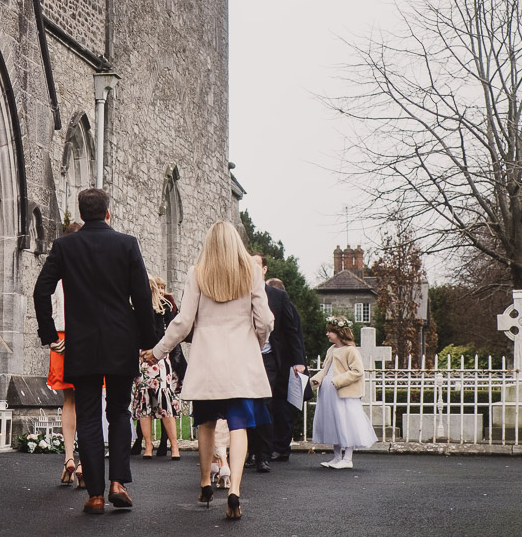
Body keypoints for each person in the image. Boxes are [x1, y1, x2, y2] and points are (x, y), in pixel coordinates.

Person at [34, 188, 155, 515]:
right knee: (118, 412)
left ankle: (96, 495)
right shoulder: (127, 244)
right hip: (120, 340)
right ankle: (118, 482)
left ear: (81, 214)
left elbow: (41, 290)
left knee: (87, 416)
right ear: (108, 213)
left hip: (82, 343)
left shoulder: (65, 246)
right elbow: (142, 297)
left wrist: (50, 334)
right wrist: (148, 340)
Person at [143, 221, 274, 521]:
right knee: (240, 425)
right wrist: (257, 341)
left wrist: (158, 351)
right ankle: (235, 488)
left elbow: (183, 322)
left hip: (208, 361)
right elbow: (265, 320)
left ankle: (204, 482)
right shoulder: (252, 272)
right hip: (241, 360)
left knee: (206, 423)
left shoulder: (197, 273)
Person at [249, 274, 306, 469]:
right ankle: (249, 451)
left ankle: (263, 455)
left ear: (262, 270)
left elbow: (292, 330)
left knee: (265, 403)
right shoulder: (237, 293)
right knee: (245, 403)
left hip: (268, 358)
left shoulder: (278, 296)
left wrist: (299, 360)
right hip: (243, 357)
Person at [310, 316, 377, 469]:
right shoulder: (331, 350)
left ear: (339, 333)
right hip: (328, 391)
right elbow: (326, 369)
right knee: (334, 422)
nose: (327, 334)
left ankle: (347, 458)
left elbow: (357, 372)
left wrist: (338, 380)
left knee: (347, 423)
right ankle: (336, 456)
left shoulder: (351, 350)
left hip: (343, 392)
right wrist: (317, 380)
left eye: (330, 332)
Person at [46, 221, 83, 487]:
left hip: (60, 336)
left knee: (69, 401)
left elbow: (46, 302)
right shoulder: (91, 267)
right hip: (87, 337)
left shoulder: (56, 269)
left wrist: (51, 337)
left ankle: (69, 457)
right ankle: (83, 464)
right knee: (90, 401)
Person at [133, 275, 183, 460]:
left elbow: (173, 332)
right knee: (144, 400)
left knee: (164, 401)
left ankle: (174, 446)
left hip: (160, 357)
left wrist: (161, 351)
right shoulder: (134, 307)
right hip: (141, 358)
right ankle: (148, 445)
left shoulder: (165, 306)